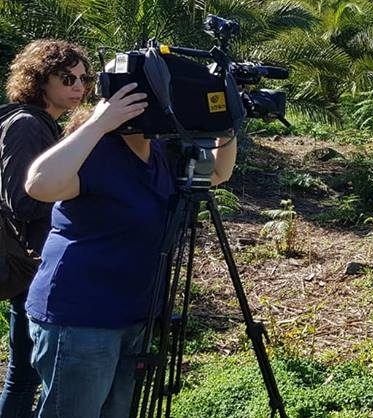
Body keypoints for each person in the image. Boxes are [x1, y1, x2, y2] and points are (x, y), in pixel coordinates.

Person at [23, 82, 238, 417]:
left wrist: (226, 120)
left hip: (135, 315)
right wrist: (99, 123)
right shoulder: (97, 151)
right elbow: (39, 184)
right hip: (81, 317)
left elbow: (219, 172)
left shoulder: (163, 154)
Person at [0, 39, 92, 417]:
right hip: (28, 263)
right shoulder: (25, 125)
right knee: (24, 376)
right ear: (39, 79)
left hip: (33, 261)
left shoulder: (41, 124)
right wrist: (74, 194)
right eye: (67, 78)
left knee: (26, 374)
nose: (78, 87)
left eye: (84, 78)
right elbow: (19, 199)